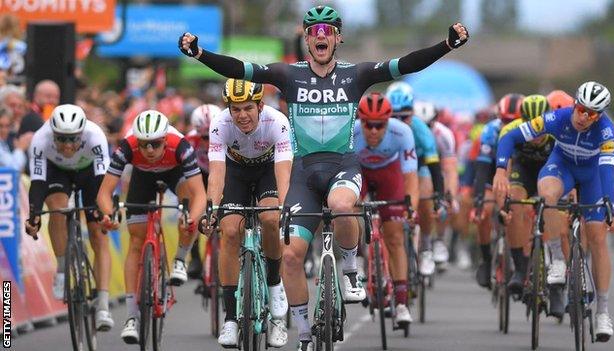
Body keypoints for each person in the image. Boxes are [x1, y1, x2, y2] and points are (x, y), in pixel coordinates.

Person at [179, 6, 468, 350]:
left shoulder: (356, 74)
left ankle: (349, 269)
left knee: (342, 204)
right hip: (303, 173)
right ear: (305, 36)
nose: (320, 36)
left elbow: (405, 64)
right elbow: (240, 68)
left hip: (343, 166)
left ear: (338, 38)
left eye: (327, 30)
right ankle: (302, 331)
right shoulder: (288, 75)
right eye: (314, 30)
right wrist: (199, 53)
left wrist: (445, 45)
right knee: (289, 256)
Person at [494, 81, 614, 342]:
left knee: (597, 238)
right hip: (561, 167)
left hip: (592, 176)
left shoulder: (606, 131)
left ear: (600, 115)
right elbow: (510, 136)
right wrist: (500, 169)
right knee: (547, 195)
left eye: (592, 113)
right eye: (581, 109)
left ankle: (603, 312)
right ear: (575, 103)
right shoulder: (556, 117)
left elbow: (607, 167)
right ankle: (557, 260)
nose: (584, 117)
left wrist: (609, 204)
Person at [96, 110, 206, 344]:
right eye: (144, 144)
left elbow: (200, 195)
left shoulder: (180, 146)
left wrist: (192, 218)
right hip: (142, 178)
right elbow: (104, 193)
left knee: (187, 208)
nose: (149, 150)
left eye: (155, 144)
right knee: (136, 242)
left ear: (165, 139)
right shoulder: (127, 146)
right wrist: (109, 215)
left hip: (175, 174)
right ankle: (131, 317)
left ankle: (180, 259)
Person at [206, 79, 292, 347]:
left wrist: (285, 205)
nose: (241, 115)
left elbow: (284, 171)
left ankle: (275, 284)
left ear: (260, 106)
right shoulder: (220, 124)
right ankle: (231, 318)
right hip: (236, 173)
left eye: (247, 108)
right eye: (236, 109)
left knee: (270, 218)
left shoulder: (277, 122)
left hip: (269, 171)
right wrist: (212, 207)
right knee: (230, 231)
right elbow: (217, 172)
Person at [23, 104, 114, 331]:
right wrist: (34, 215)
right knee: (57, 208)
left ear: (82, 133)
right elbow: (37, 183)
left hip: (90, 172)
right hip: (57, 171)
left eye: (73, 139)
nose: (67, 145)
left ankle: (103, 304)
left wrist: (106, 213)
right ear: (52, 133)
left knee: (98, 233)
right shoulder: (40, 139)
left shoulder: (95, 136)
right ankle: (63, 269)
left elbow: (104, 182)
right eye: (61, 139)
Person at [354, 92, 419, 325]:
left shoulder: (402, 132)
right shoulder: (350, 133)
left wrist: (411, 206)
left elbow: (410, 176)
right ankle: (356, 264)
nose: (373, 131)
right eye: (367, 125)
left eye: (379, 125)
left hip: (389, 175)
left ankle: (401, 303)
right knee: (347, 211)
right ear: (359, 121)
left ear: (388, 122)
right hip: (359, 172)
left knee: (394, 238)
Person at [493, 94, 553, 297]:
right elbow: (505, 169)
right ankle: (520, 268)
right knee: (515, 203)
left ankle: (559, 281)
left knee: (560, 213)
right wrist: (504, 204)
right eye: (529, 123)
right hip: (523, 170)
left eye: (540, 123)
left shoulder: (557, 132)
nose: (535, 130)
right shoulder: (511, 130)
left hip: (550, 171)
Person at [385, 82, 445, 277]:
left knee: (425, 198)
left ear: (413, 112)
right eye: (394, 116)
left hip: (418, 169)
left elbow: (435, 166)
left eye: (405, 116)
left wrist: (439, 196)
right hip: (390, 169)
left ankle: (426, 247)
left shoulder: (421, 130)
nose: (400, 121)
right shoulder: (379, 127)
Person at [472, 93, 524, 288]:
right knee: (484, 212)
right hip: (494, 171)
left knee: (523, 210)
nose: (507, 124)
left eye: (514, 121)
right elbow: (482, 167)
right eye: (504, 120)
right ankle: (486, 260)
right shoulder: (490, 131)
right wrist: (479, 199)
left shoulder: (530, 131)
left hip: (520, 172)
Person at [413, 101, 459, 269]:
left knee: (436, 194)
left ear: (435, 121)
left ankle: (435, 241)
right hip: (411, 164)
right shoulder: (408, 129)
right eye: (421, 123)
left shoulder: (443, 134)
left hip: (432, 165)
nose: (424, 128)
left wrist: (450, 195)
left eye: (428, 124)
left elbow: (450, 170)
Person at [185, 103, 222, 279]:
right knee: (191, 208)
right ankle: (195, 258)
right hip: (200, 173)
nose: (208, 142)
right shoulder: (190, 141)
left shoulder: (226, 134)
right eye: (204, 138)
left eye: (211, 137)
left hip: (221, 171)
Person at [0, 105, 29, 171]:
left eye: (7, 126)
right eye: (0, 126)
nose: (4, 130)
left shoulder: (4, 143)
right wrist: (20, 149)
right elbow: (14, 169)